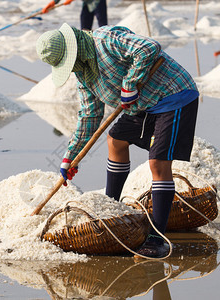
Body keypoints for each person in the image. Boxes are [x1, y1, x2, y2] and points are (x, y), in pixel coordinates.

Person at [36, 24, 199, 258]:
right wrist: (70, 157)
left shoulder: (105, 39)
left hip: (173, 95)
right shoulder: (83, 72)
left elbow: (148, 47)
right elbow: (90, 116)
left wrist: (130, 83)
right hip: (143, 105)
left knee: (158, 163)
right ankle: (112, 207)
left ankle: (157, 237)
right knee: (115, 140)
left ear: (73, 50)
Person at [42, 0, 107, 30]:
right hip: (87, 3)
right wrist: (50, 5)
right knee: (85, 29)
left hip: (98, 2)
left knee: (103, 26)